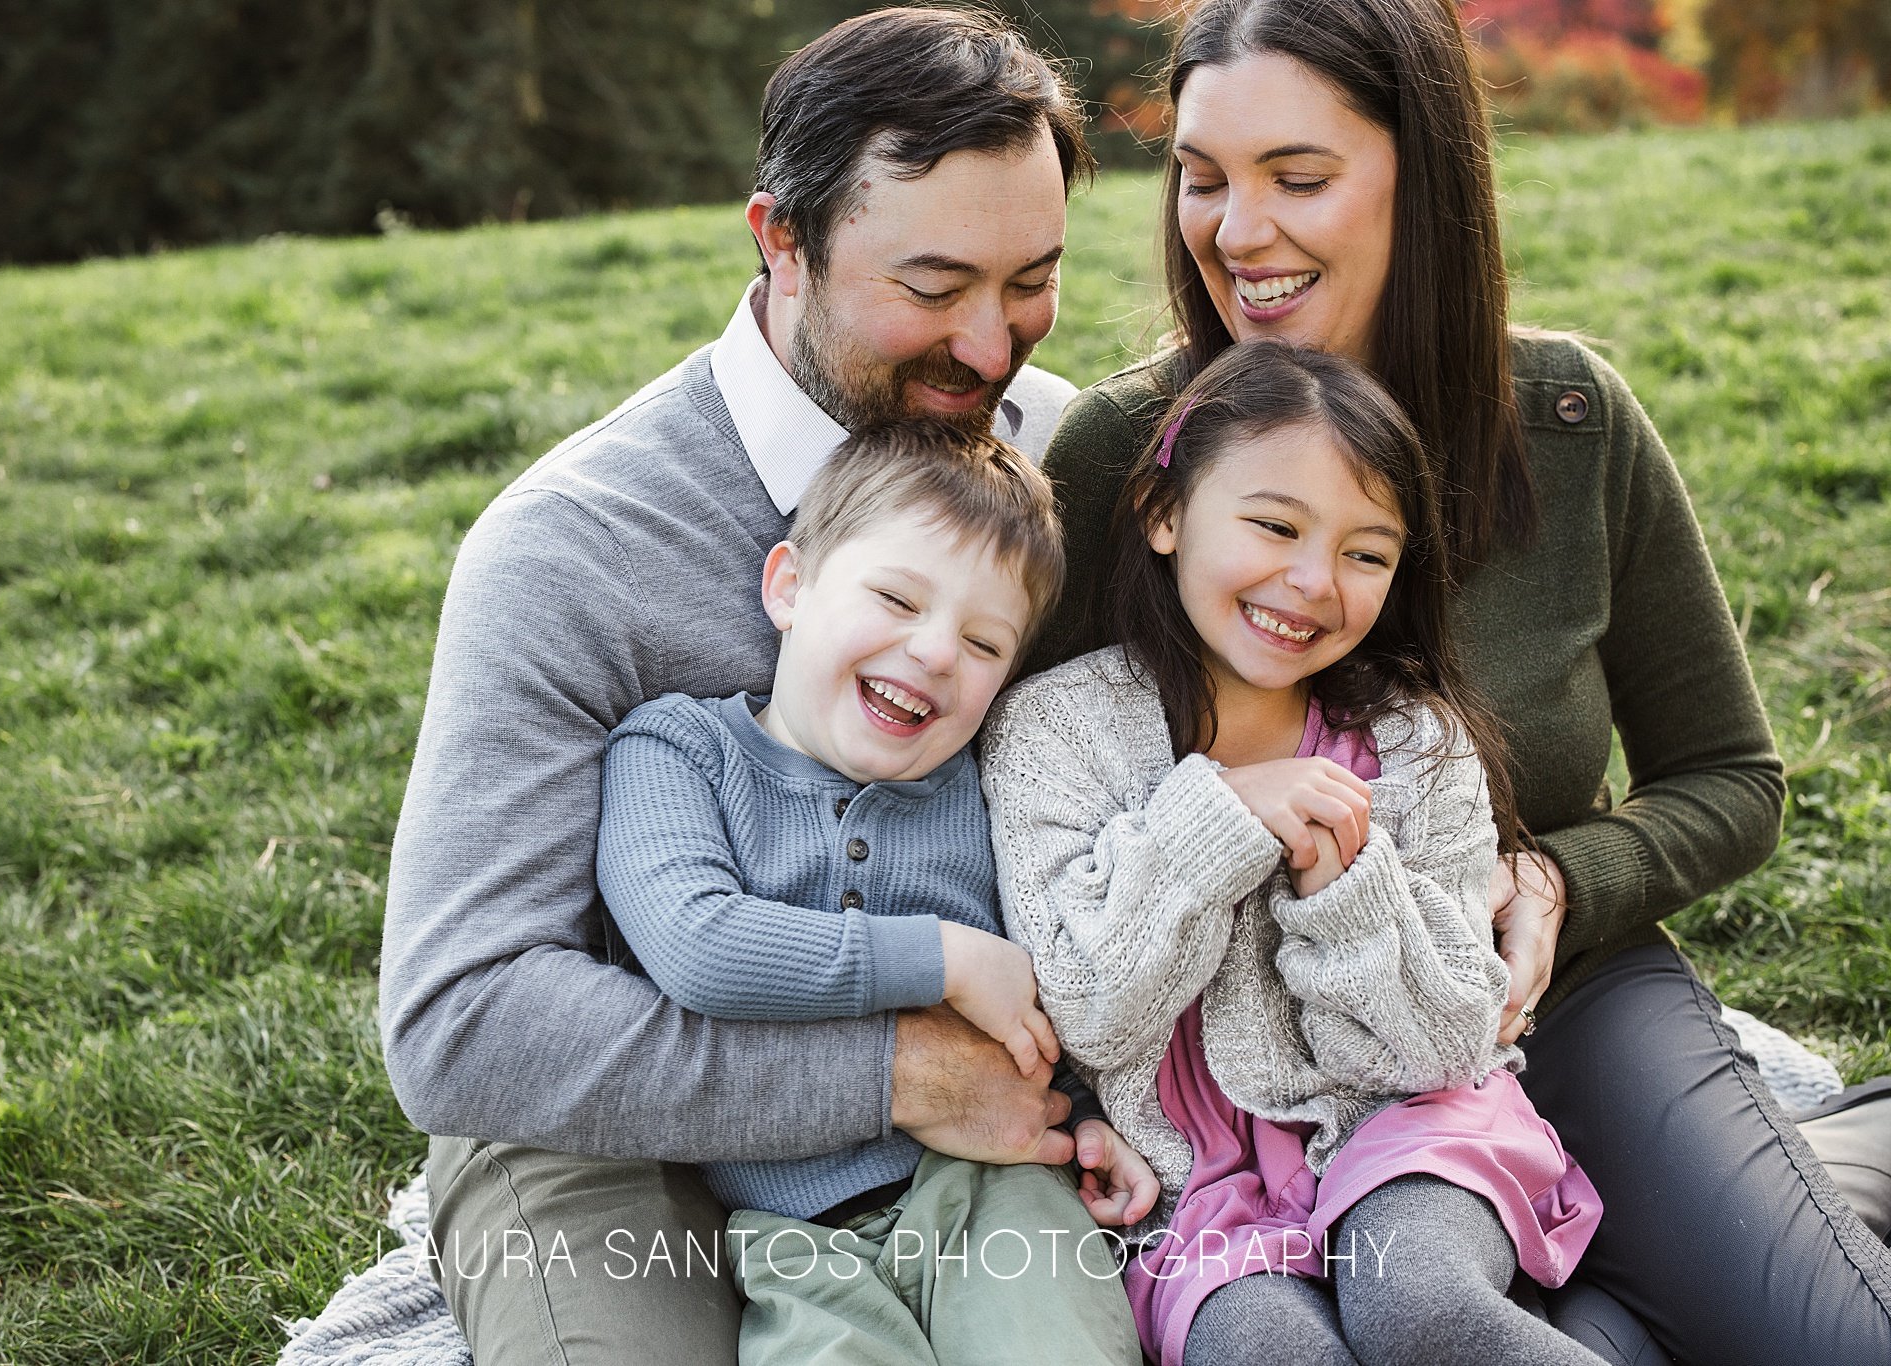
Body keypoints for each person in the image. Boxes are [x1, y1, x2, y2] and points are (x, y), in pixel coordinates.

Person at [1032, 0, 1891, 1360]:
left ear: (1420, 175)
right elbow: (1026, 804)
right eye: (1201, 176)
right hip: (1242, 1088)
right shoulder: (1128, 453)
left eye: (1298, 177)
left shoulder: (1566, 420)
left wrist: (1555, 880)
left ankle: (1806, 1163)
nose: (1235, 230)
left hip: (1548, 996)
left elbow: (1733, 780)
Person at [378, 11, 1105, 1364]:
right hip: (606, 1121)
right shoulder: (570, 547)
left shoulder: (1061, 465)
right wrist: (889, 1071)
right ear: (780, 239)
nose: (994, 352)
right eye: (935, 284)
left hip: (995, 1129)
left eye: (1032, 280)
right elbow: (466, 1017)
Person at [985, 340, 1607, 1366]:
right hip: (1195, 1197)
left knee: (1419, 1305)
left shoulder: (1413, 742)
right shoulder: (1053, 733)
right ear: (1164, 513)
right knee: (1268, 1351)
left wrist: (1343, 890)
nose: (1313, 581)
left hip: (1409, 1132)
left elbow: (1449, 1041)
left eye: (1366, 552)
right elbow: (1087, 1009)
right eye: (1273, 525)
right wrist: (1221, 820)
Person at [595, 422, 1147, 1366]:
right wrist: (943, 957)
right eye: (896, 597)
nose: (936, 653)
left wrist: (1098, 1126)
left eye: (983, 642)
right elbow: (699, 946)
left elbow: (1057, 987)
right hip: (786, 1233)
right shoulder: (679, 752)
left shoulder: (989, 789)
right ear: (790, 586)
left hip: (992, 1192)